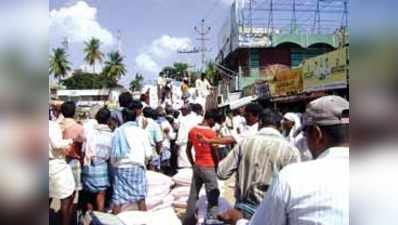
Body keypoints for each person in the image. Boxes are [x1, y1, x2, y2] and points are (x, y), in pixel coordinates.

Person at [219, 95, 349, 225]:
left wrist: (238, 220)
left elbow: (222, 172)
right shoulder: (290, 151)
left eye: (305, 134)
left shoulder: (293, 176)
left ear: (317, 134)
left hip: (248, 212)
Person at [216, 109, 301, 219]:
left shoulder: (245, 143)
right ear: (280, 125)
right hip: (273, 214)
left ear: (260, 123)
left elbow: (222, 172)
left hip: (243, 213)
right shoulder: (291, 150)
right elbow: (294, 190)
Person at [110, 108, 153, 214]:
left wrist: (114, 164)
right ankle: (144, 221)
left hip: (121, 168)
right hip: (137, 167)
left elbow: (114, 153)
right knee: (140, 198)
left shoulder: (118, 132)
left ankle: (115, 221)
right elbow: (148, 154)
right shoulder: (141, 132)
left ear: (123, 118)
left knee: (118, 200)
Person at [183, 110, 221, 225]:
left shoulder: (192, 130)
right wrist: (218, 165)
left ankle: (188, 221)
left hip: (197, 166)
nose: (214, 124)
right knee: (213, 195)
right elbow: (215, 153)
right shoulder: (211, 134)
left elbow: (188, 149)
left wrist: (192, 163)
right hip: (209, 166)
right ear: (210, 119)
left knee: (193, 194)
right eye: (214, 121)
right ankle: (212, 220)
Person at [81, 107, 113, 212]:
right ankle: (99, 218)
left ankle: (88, 217)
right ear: (109, 120)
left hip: (88, 167)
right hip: (102, 167)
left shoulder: (90, 133)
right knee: (101, 194)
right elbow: (111, 155)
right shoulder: (111, 135)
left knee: (89, 194)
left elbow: (83, 150)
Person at [49, 119, 75, 225]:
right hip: (56, 164)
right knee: (67, 198)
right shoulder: (52, 125)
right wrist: (70, 141)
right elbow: (57, 144)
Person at [58, 101, 85, 203]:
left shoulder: (56, 126)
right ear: (74, 112)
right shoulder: (79, 128)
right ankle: (68, 217)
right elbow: (82, 148)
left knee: (59, 191)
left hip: (58, 161)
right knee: (72, 192)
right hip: (74, 161)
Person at [175, 104, 202, 168]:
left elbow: (181, 135)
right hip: (195, 145)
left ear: (187, 110)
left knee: (185, 167)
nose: (181, 112)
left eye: (182, 110)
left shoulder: (184, 120)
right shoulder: (197, 118)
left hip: (185, 145)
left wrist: (177, 144)